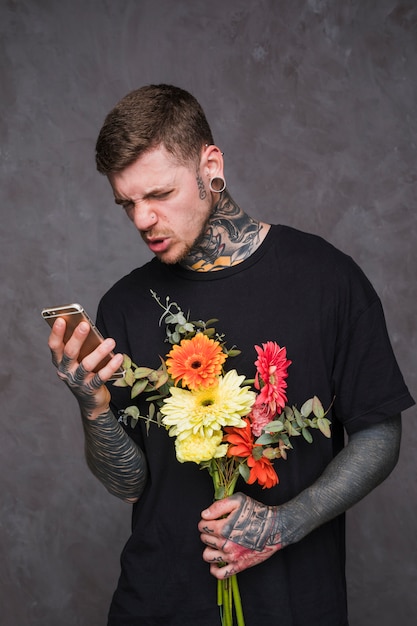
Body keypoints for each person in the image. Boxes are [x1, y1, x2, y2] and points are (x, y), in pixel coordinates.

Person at [48, 84, 414, 626]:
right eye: (127, 204)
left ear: (210, 167)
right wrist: (94, 406)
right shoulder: (124, 304)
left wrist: (282, 524)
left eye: (159, 195)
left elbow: (379, 434)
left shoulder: (326, 278)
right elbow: (129, 486)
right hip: (157, 603)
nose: (142, 220)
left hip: (292, 605)